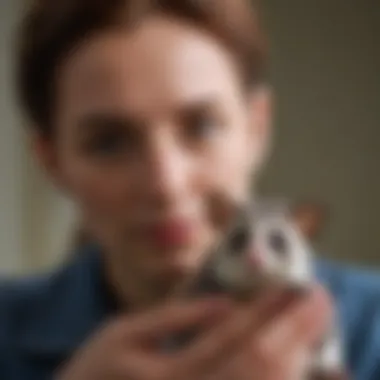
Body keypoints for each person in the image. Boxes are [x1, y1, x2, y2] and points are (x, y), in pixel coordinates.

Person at [1, 0, 380, 379]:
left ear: (256, 129)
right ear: (53, 163)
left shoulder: (372, 324)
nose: (165, 184)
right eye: (108, 143)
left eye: (202, 127)